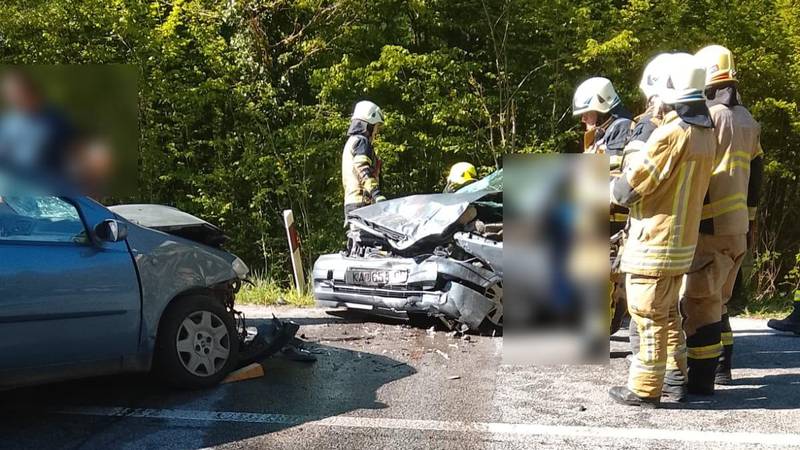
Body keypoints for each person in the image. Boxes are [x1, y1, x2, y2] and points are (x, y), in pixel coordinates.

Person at [608, 53, 716, 407]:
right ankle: (675, 377)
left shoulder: (672, 133)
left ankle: (644, 388)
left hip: (652, 241)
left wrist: (615, 179)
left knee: (648, 316)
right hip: (680, 244)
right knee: (669, 315)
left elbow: (628, 190)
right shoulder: (705, 132)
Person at [680, 45, 764, 392]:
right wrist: (752, 220)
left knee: (700, 302)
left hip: (709, 225)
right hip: (738, 228)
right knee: (719, 300)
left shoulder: (710, 119)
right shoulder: (748, 119)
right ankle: (721, 369)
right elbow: (756, 174)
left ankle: (704, 379)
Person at [623, 53, 671, 365]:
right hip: (684, 231)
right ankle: (678, 376)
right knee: (670, 308)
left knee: (645, 304)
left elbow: (629, 185)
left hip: (649, 229)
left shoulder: (651, 130)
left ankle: (645, 375)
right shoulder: (696, 129)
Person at [0, 69, 75, 181]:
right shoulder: (7, 123)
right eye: (11, 94)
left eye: (19, 92)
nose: (17, 98)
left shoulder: (56, 121)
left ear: (31, 91)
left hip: (47, 184)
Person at [342, 100, 385, 221]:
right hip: (362, 204)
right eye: (376, 126)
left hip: (352, 203)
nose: (377, 132)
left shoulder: (351, 141)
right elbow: (361, 168)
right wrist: (377, 194)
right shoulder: (361, 141)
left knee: (357, 239)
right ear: (369, 125)